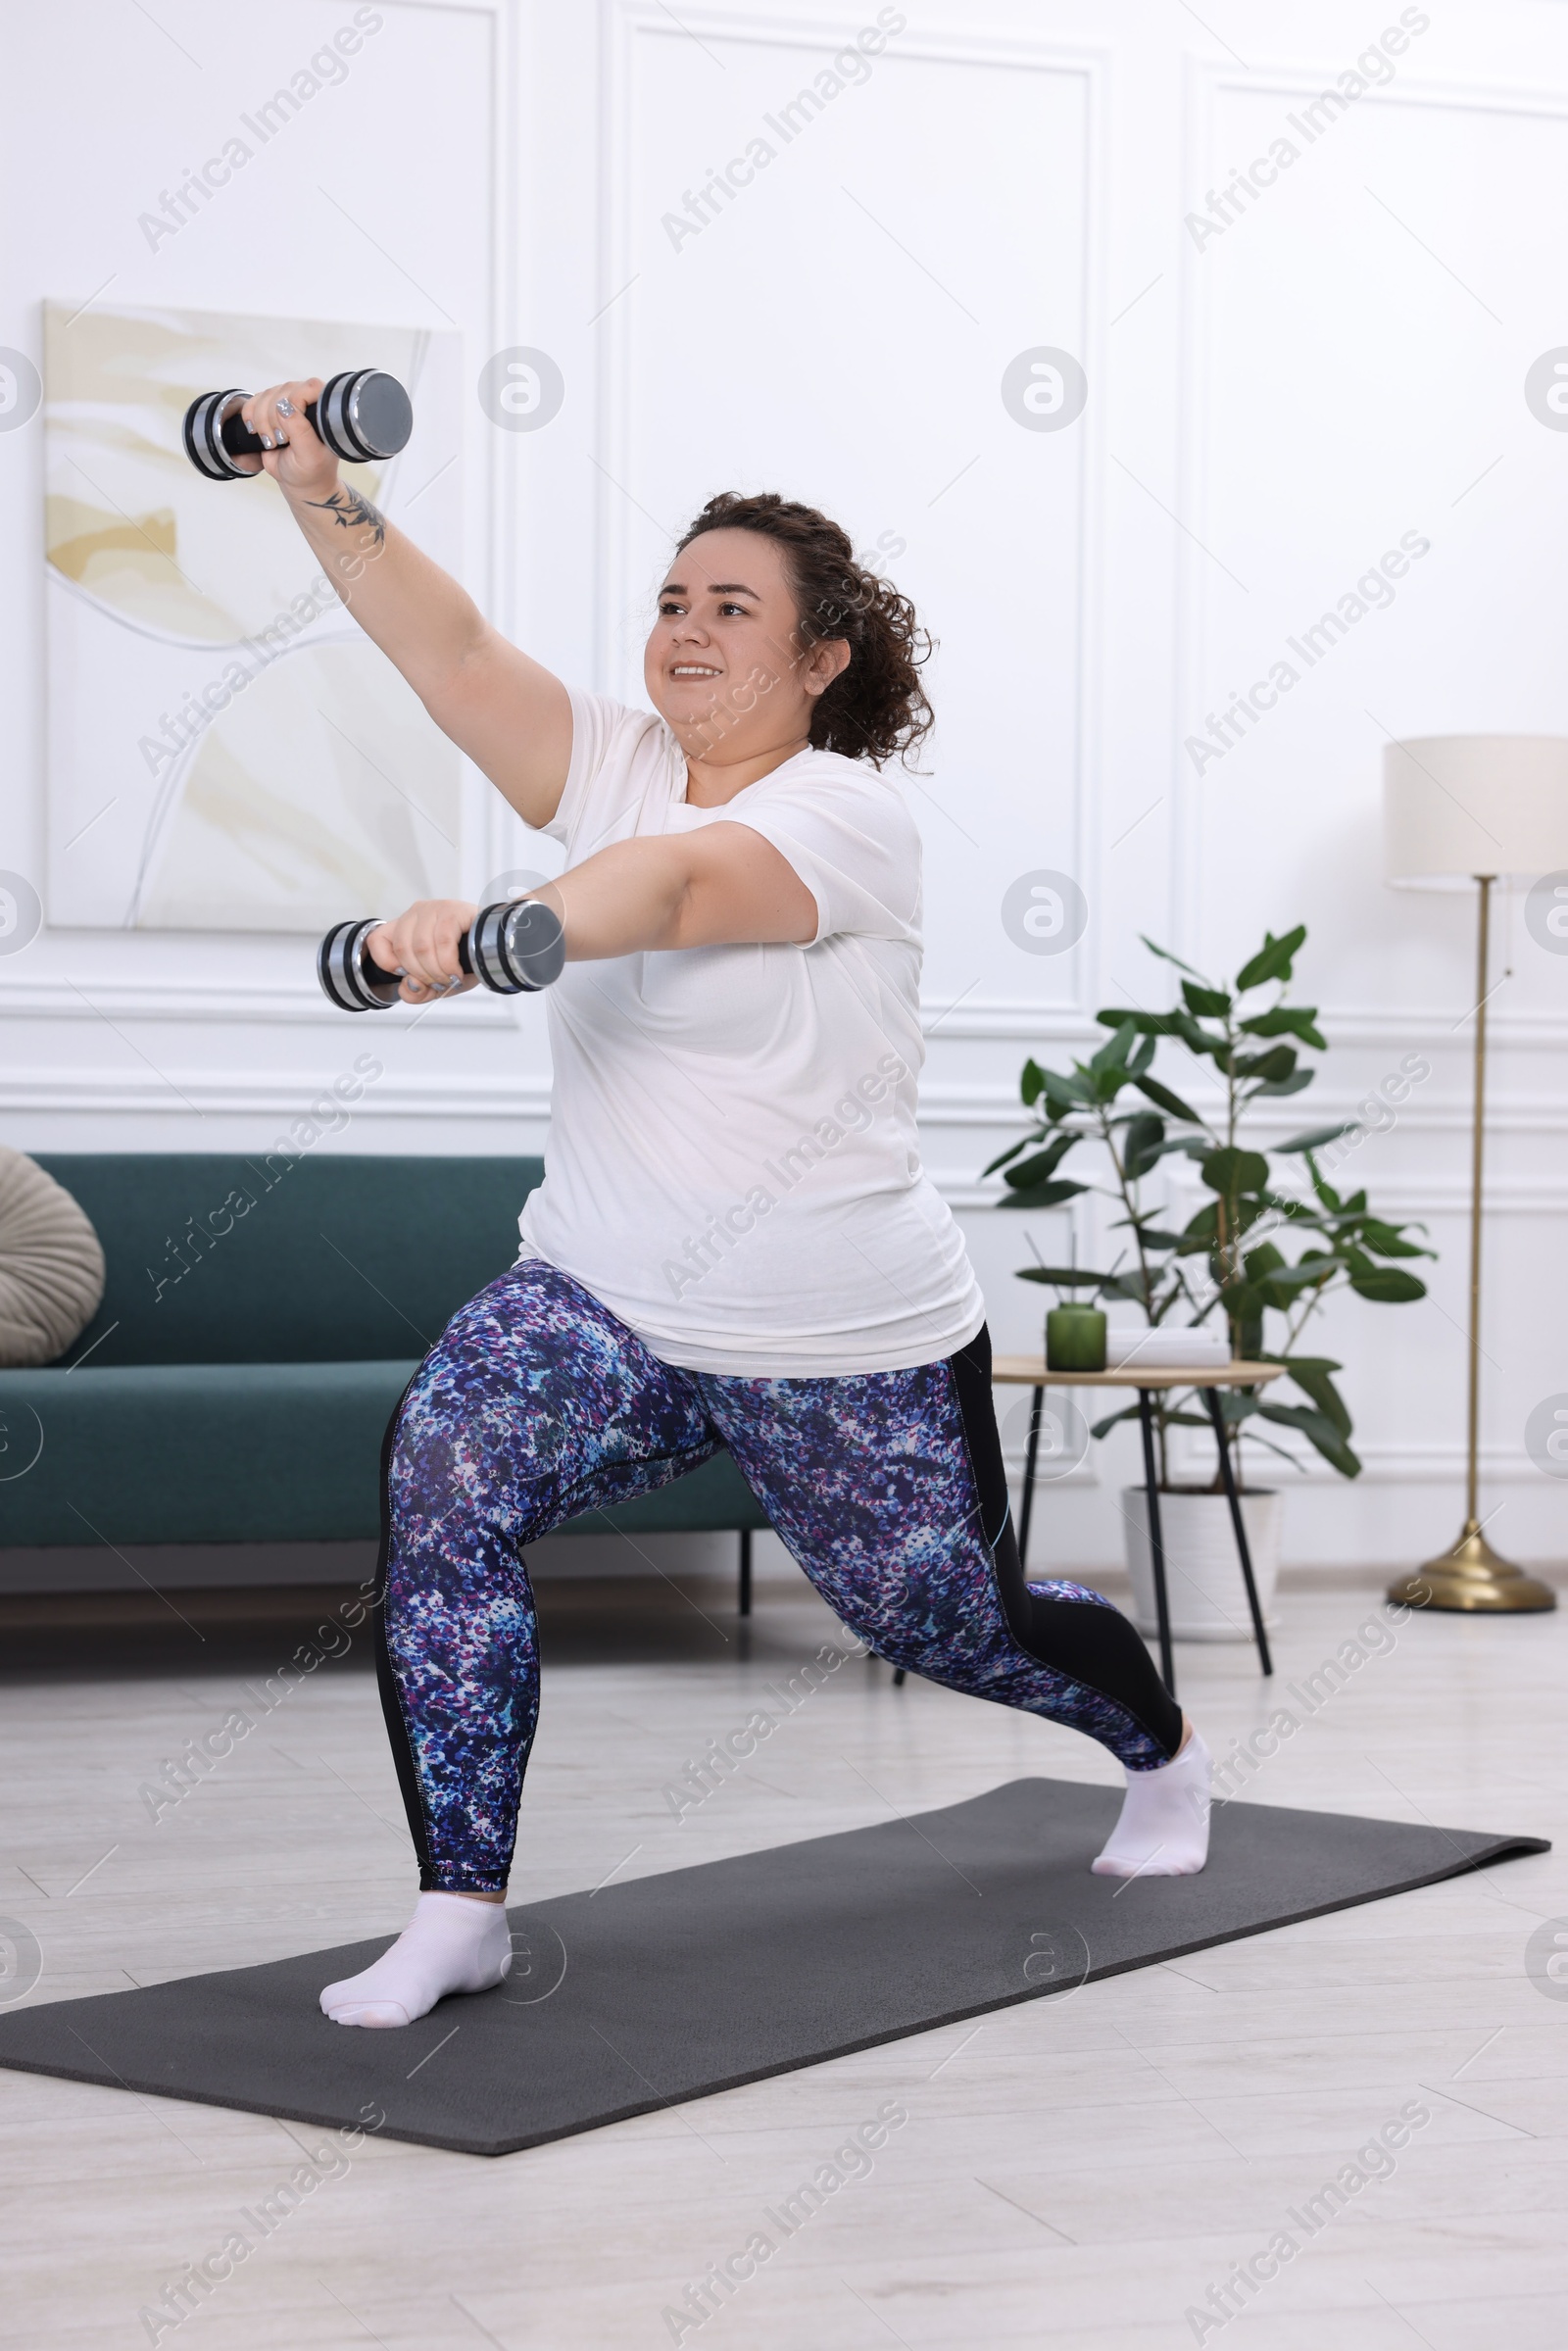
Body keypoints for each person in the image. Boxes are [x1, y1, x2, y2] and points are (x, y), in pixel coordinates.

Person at [232, 379, 1212, 2031]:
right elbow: (454, 655)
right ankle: (458, 1902)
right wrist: (315, 484)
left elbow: (678, 889)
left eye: (733, 609)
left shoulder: (844, 813)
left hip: (842, 1334)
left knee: (951, 1617)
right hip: (604, 1298)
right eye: (673, 602)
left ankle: (1163, 1757)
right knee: (444, 1481)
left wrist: (494, 927)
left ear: (821, 659)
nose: (687, 632)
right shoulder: (615, 761)